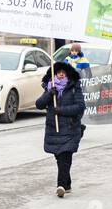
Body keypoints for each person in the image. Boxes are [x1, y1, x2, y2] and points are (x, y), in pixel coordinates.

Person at [36, 60, 86, 197]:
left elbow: (80, 107)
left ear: (68, 74)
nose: (61, 75)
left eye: (64, 73)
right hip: (54, 130)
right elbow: (39, 104)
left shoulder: (74, 87)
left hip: (70, 128)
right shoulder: (50, 87)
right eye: (59, 73)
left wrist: (61, 110)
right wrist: (49, 94)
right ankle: (67, 182)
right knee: (60, 157)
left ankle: (61, 185)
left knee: (65, 156)